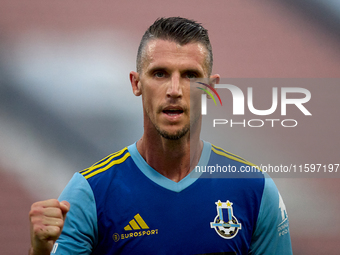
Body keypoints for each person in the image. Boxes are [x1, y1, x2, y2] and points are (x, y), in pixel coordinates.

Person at [29, 17, 292, 255]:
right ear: (136, 83)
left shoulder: (254, 189)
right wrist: (40, 251)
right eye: (160, 74)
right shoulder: (91, 192)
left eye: (190, 75)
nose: (174, 90)